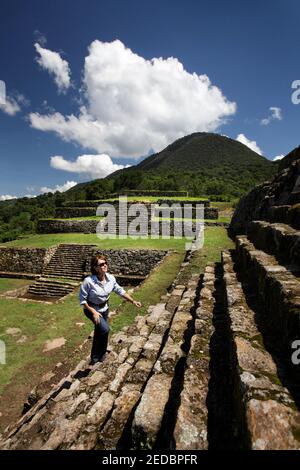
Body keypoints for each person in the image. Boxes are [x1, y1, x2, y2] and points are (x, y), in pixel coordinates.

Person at [79, 254, 142, 365]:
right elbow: (83, 301)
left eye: (105, 263)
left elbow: (120, 291)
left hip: (105, 308)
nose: (105, 265)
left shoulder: (111, 278)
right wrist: (93, 312)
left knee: (100, 332)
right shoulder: (88, 282)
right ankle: (98, 356)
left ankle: (97, 356)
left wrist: (133, 301)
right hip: (91, 310)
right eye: (101, 264)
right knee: (105, 329)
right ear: (95, 268)